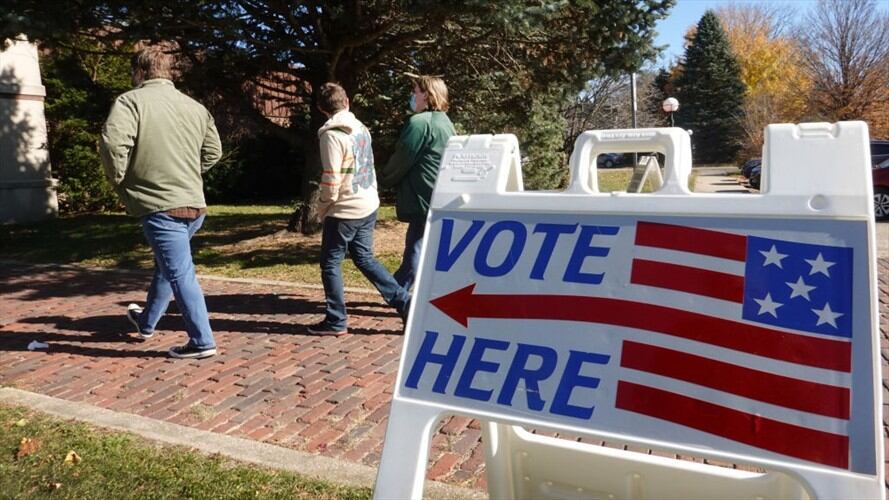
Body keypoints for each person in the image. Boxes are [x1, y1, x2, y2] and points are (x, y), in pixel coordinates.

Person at [99, 45, 222, 359]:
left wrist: (119, 179)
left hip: (160, 205)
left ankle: (202, 341)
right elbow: (213, 152)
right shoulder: (195, 107)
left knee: (180, 273)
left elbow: (113, 146)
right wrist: (187, 172)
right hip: (194, 205)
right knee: (168, 267)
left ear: (139, 72)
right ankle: (146, 323)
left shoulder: (130, 101)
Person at [309, 83, 411, 336]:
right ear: (347, 102)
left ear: (321, 108)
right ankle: (404, 302)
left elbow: (331, 178)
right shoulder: (361, 128)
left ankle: (336, 320)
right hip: (367, 202)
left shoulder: (331, 135)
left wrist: (322, 208)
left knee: (330, 263)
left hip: (345, 209)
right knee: (364, 257)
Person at [378, 75, 456, 292]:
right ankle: (398, 290)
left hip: (422, 194)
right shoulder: (445, 122)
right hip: (437, 193)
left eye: (416, 92)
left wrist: (382, 179)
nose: (413, 96)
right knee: (417, 244)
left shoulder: (419, 123)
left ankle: (398, 293)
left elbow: (403, 158)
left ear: (427, 95)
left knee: (416, 247)